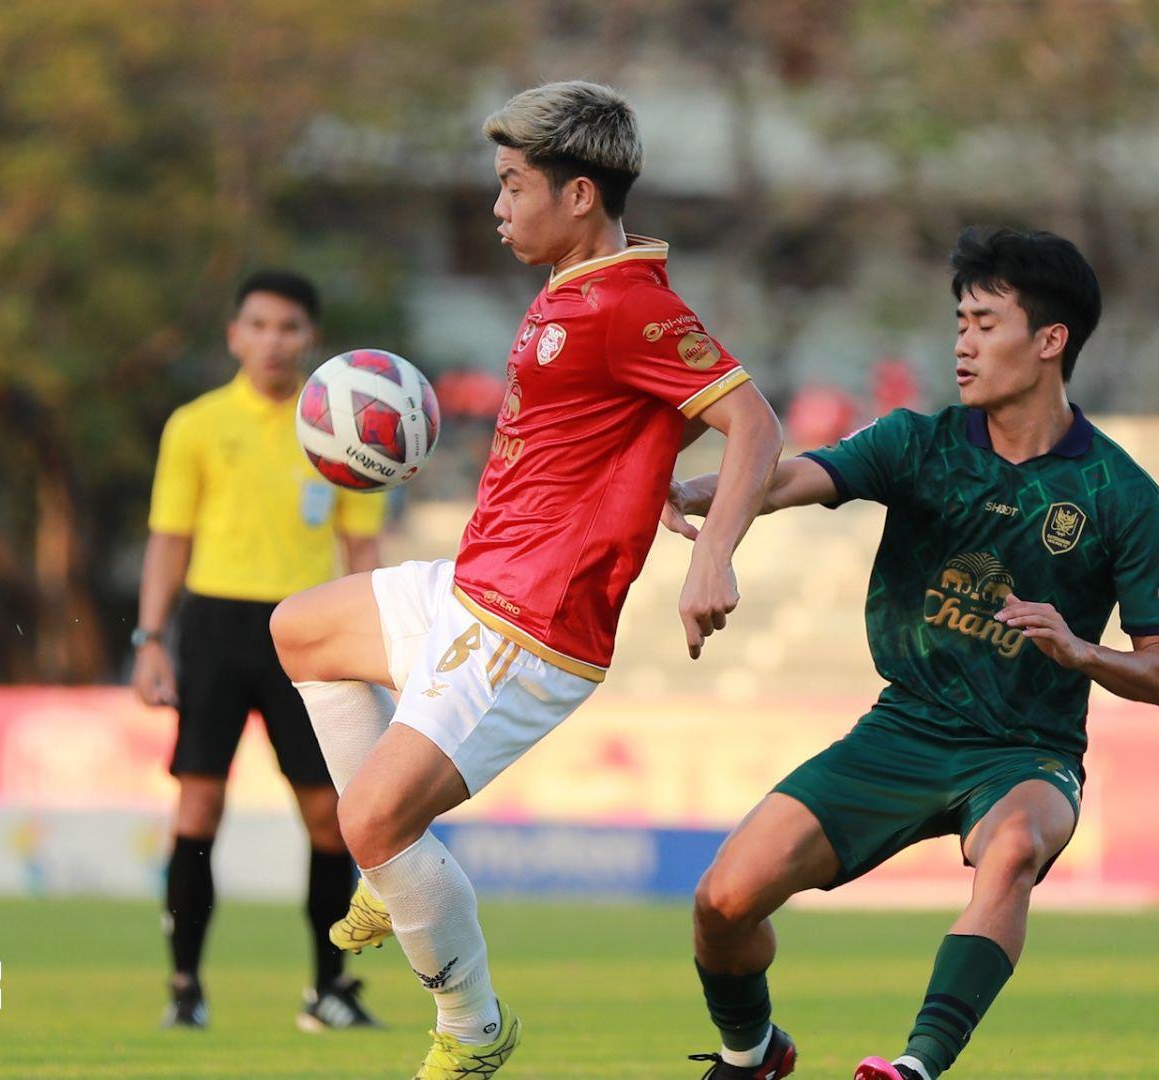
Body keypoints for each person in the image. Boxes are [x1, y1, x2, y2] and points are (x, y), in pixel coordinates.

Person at [271, 81, 784, 1078]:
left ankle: (472, 1029)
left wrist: (712, 556)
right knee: (299, 630)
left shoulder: (629, 302)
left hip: (531, 625)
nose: (499, 207)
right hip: (474, 584)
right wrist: (648, 479)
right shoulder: (571, 294)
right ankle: (398, 866)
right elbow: (616, 429)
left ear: (580, 193)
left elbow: (754, 421)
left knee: (368, 818)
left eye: (513, 186)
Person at [666, 227, 1159, 1080]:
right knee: (721, 903)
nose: (963, 342)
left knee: (1015, 846)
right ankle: (752, 1053)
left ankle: (914, 1068)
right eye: (959, 322)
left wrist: (1077, 648)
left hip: (1027, 751)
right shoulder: (921, 443)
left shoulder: (1122, 495)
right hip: (902, 730)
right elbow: (796, 477)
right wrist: (696, 491)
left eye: (985, 322)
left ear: (1050, 340)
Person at [132, 271, 386, 1032]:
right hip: (212, 627)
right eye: (260, 325)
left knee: (328, 817)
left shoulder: (343, 426)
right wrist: (151, 639)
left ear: (311, 338)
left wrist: (372, 644)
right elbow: (169, 539)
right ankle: (185, 989)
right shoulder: (197, 425)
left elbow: (362, 544)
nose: (274, 341)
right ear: (234, 335)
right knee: (199, 803)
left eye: (290, 328)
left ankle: (328, 990)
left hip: (306, 631)